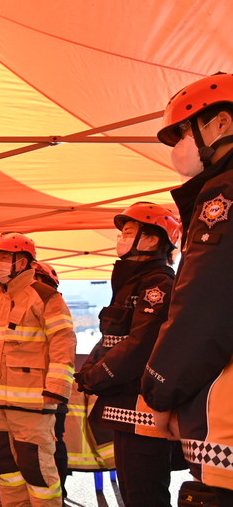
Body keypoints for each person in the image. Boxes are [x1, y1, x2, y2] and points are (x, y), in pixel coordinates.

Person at [142, 72, 233, 502]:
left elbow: (202, 307)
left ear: (221, 124)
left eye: (182, 132)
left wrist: (159, 391)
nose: (178, 146)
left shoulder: (224, 194)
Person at [74, 203, 181, 507]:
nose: (120, 238)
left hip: (143, 406)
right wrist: (89, 370)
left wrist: (97, 375)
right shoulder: (132, 282)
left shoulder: (158, 283)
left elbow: (140, 344)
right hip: (123, 403)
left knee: (145, 495)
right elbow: (112, 338)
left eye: (129, 232)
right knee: (132, 492)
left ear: (152, 239)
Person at [0, 232, 76, 506]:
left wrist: (57, 388)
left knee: (37, 469)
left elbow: (63, 342)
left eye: (3, 257)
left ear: (22, 261)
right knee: (5, 466)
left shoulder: (46, 297)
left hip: (32, 403)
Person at [31, 261, 69, 499]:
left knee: (52, 445)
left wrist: (55, 390)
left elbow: (63, 349)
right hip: (24, 395)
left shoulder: (53, 306)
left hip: (49, 394)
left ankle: (57, 497)